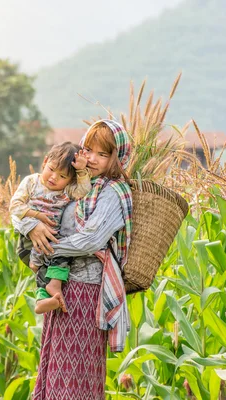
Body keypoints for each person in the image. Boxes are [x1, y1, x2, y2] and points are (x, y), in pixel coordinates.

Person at [14, 119, 133, 399]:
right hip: (64, 287)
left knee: (76, 376)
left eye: (103, 154)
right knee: (55, 368)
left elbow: (90, 240)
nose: (92, 158)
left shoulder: (113, 193)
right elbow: (22, 211)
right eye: (89, 149)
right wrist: (33, 227)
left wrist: (46, 249)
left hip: (87, 293)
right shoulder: (78, 185)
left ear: (116, 158)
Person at [9, 142, 91, 314]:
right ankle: (48, 286)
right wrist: (37, 217)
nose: (54, 177)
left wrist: (82, 171)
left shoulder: (67, 191)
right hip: (28, 241)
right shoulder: (31, 182)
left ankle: (43, 298)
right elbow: (15, 207)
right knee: (45, 263)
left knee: (61, 257)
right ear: (45, 161)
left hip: (53, 242)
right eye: (51, 169)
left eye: (62, 176)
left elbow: (83, 191)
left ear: (70, 180)